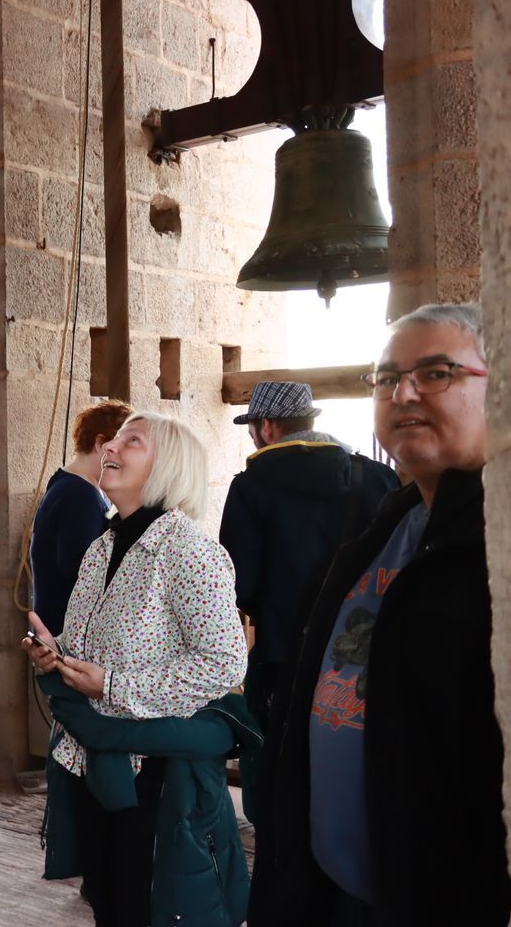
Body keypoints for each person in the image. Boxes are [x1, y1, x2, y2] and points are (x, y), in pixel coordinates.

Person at [251, 303, 510, 926]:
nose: (404, 392)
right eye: (387, 378)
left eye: (437, 372)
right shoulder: (384, 529)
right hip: (331, 887)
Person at [25, 412, 249, 926]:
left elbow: (223, 661)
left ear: (167, 466)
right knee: (108, 901)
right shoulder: (103, 548)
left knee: (142, 905)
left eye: (133, 441)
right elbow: (87, 641)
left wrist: (114, 686)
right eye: (115, 439)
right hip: (98, 763)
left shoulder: (191, 553)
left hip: (156, 774)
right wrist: (53, 650)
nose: (112, 448)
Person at [218, 382, 398, 740]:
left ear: (267, 426)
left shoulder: (249, 488)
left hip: (285, 654)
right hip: (367, 653)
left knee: (280, 760)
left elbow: (240, 584)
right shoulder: (377, 476)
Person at [29, 400, 132, 634]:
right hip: (65, 637)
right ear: (99, 443)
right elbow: (82, 572)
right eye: (122, 447)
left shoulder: (71, 484)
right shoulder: (78, 495)